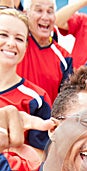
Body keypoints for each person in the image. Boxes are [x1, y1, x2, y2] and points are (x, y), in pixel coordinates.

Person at [0, 8, 51, 152]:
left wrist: (11, 149)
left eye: (19, 38)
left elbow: (44, 158)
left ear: (26, 47)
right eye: (3, 35)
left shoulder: (37, 98)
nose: (11, 43)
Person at [17, 0, 73, 104]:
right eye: (39, 10)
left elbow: (65, 103)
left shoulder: (64, 58)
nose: (45, 17)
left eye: (50, 12)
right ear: (26, 14)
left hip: (45, 119)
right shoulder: (14, 46)